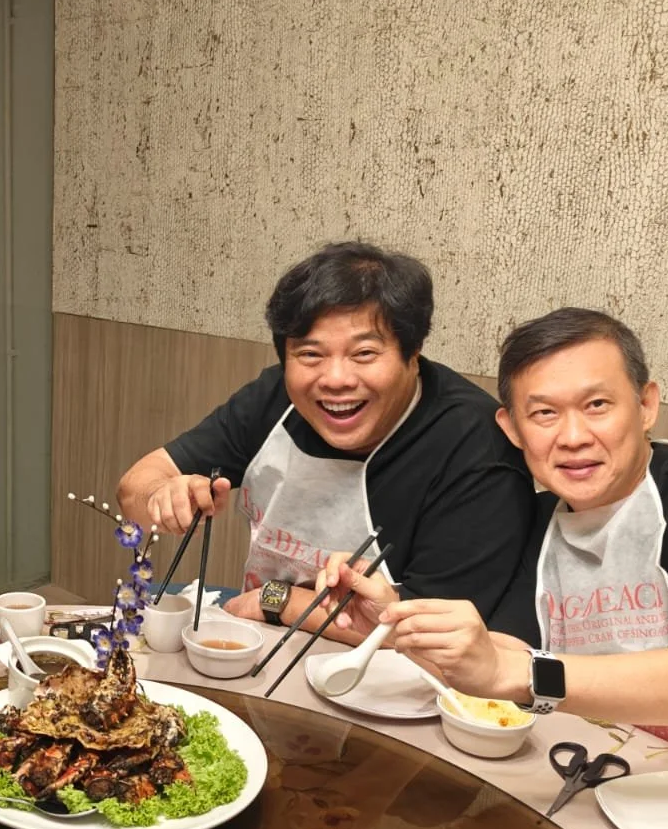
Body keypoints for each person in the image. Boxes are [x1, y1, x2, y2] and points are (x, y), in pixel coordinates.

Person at [332, 308, 668, 824]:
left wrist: (513, 670)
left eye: (597, 405)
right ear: (511, 428)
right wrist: (397, 622)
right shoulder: (535, 520)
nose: (573, 436)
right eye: (544, 414)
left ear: (646, 405)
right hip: (642, 792)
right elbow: (505, 654)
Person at [116, 242, 533, 642]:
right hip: (264, 641)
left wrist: (275, 600)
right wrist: (163, 496)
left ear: (413, 353)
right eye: (310, 354)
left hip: (396, 680)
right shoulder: (276, 397)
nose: (335, 380)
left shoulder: (476, 446)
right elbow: (134, 489)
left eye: (364, 354)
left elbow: (435, 633)